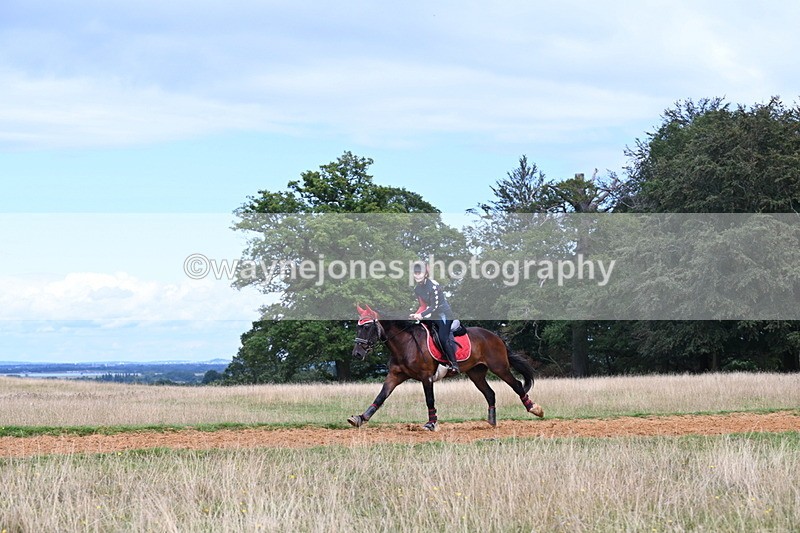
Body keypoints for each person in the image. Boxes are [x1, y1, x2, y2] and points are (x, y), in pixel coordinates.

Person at [409, 262, 460, 373]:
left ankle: (454, 364)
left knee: (442, 337)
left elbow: (434, 306)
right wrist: (415, 315)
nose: (417, 275)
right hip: (432, 315)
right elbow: (422, 306)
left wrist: (421, 315)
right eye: (415, 273)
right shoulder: (417, 289)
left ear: (425, 273)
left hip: (444, 314)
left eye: (420, 273)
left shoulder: (433, 286)